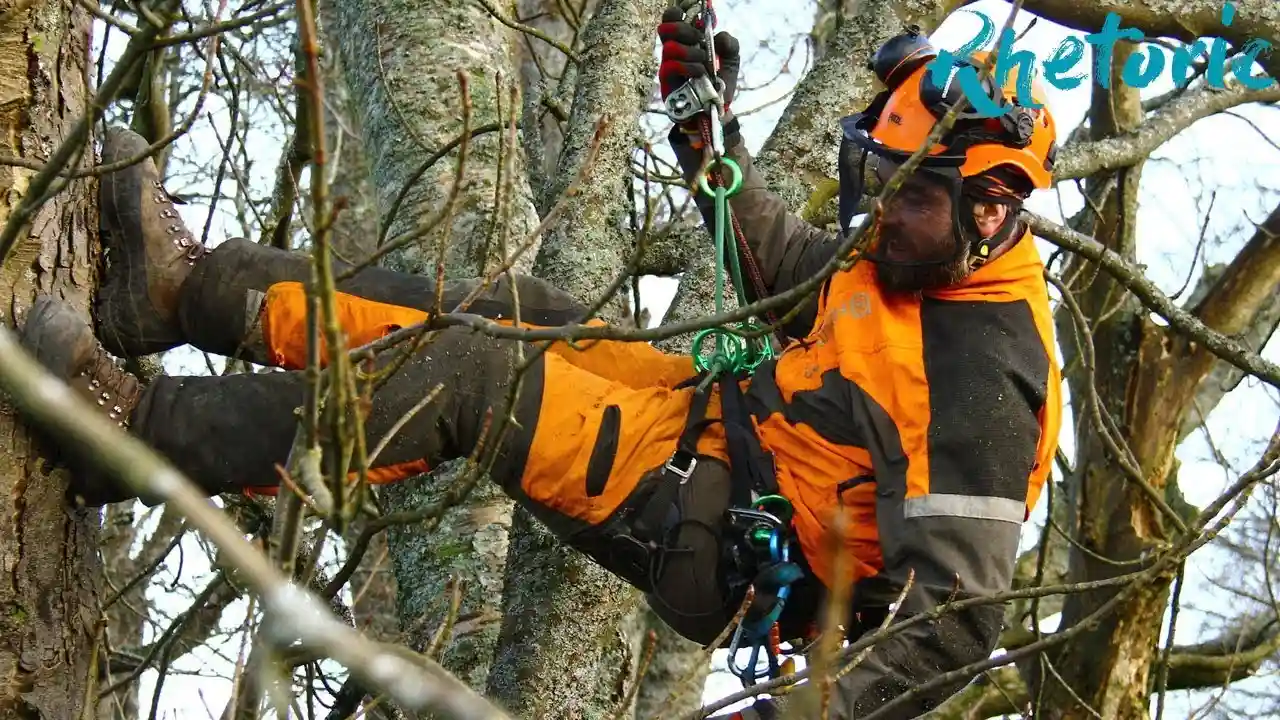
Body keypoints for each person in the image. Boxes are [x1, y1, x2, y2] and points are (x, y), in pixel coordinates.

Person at [17, 16, 1061, 719]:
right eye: (870, 180)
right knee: (507, 316)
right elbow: (788, 261)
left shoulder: (984, 375)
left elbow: (956, 626)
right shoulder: (901, 252)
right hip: (710, 423)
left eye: (906, 198)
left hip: (722, 530)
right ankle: (182, 291)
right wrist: (703, 129)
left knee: (473, 378)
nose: (875, 212)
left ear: (991, 205)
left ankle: (134, 438)